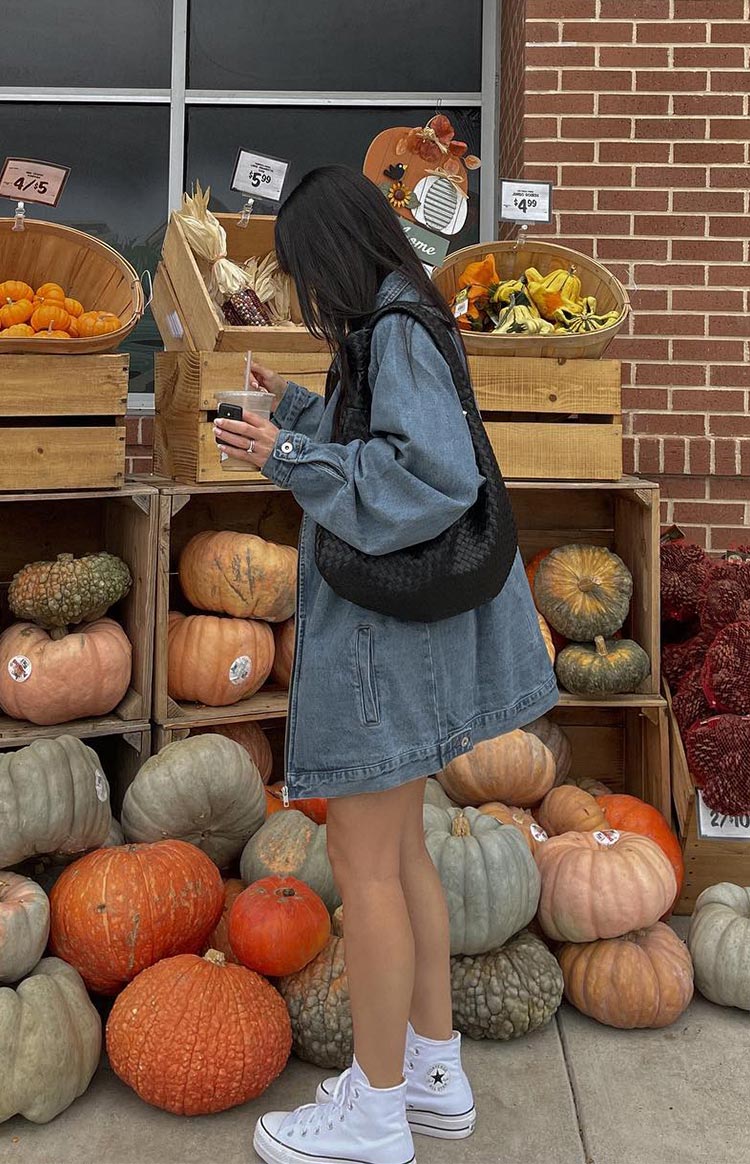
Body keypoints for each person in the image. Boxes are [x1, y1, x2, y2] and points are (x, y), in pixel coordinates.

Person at [214, 165, 557, 1164]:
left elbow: (425, 474)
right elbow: (382, 439)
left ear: (332, 252)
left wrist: (286, 457)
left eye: (302, 271)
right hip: (402, 636)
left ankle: (374, 1113)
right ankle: (433, 1073)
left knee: (366, 873)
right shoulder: (398, 320)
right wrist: (292, 413)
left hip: (381, 643)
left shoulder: (396, 330)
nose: (304, 295)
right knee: (404, 859)